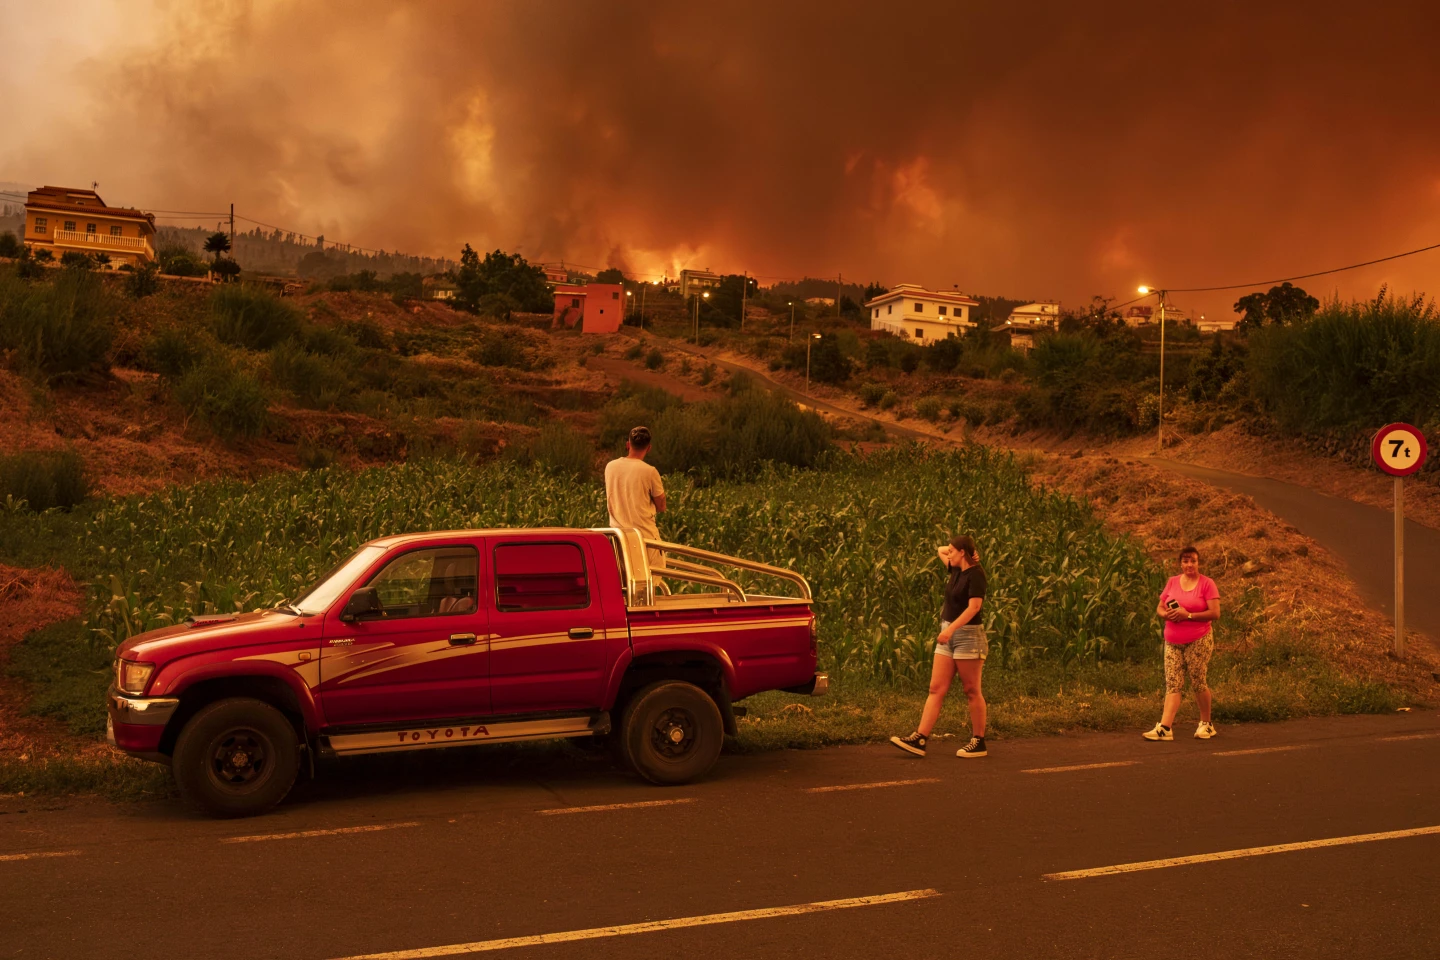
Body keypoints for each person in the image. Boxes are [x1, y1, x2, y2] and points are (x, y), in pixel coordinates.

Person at [890, 534, 990, 759]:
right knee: (936, 688)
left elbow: (974, 608)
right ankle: (920, 738)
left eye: (953, 551)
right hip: (949, 635)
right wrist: (965, 549)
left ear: (962, 553)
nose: (949, 554)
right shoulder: (955, 569)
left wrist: (950, 630)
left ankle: (978, 741)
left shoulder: (976, 575)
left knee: (971, 690)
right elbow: (939, 549)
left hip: (968, 636)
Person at [1143, 545, 1221, 741]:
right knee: (1173, 683)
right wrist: (1166, 614)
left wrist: (1188, 615)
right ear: (1180, 564)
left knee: (1198, 681)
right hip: (1172, 641)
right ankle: (1165, 728)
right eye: (1185, 561)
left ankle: (1206, 724)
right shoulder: (1172, 582)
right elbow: (1160, 607)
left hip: (1198, 639)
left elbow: (1215, 613)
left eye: (1193, 561)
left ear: (1198, 562)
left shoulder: (1207, 584)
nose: (1189, 565)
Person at [604, 425, 666, 567]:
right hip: (645, 539)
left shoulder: (610, 467)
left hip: (619, 539)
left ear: (628, 444)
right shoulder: (650, 472)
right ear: (649, 448)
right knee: (651, 582)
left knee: (623, 585)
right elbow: (661, 506)